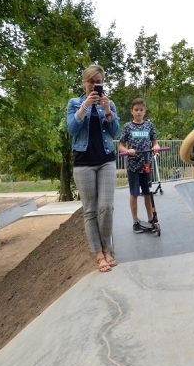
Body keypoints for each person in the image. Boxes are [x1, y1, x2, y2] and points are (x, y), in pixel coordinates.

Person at [66, 64, 120, 272]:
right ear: (84, 82)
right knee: (90, 211)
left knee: (106, 207)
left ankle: (107, 248)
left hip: (106, 160)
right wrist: (85, 107)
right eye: (91, 81)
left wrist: (108, 111)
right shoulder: (74, 103)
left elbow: (115, 132)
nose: (94, 85)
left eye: (98, 82)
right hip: (83, 163)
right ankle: (98, 254)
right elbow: (72, 129)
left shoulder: (109, 103)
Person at [119, 98, 160, 233]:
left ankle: (150, 219)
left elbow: (155, 142)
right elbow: (121, 146)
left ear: (144, 111)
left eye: (141, 110)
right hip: (133, 166)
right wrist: (127, 151)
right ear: (132, 111)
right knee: (134, 193)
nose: (138, 112)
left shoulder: (149, 126)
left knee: (148, 193)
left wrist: (156, 147)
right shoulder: (127, 127)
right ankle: (135, 221)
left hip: (146, 165)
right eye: (136, 110)